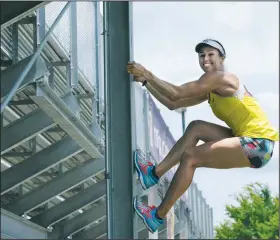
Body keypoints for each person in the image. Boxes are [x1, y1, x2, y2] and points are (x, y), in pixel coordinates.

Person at [127, 39, 279, 233]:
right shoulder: (210, 89)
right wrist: (147, 82)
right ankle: (152, 175)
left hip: (258, 143)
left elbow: (176, 93)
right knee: (196, 128)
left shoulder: (221, 78)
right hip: (247, 138)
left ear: (222, 59)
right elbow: (173, 103)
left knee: (191, 156)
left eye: (211, 54)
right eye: (201, 55)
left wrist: (147, 73)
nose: (205, 59)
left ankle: (156, 216)